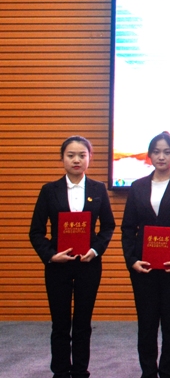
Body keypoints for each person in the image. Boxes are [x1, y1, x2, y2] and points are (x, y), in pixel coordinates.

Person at [29, 136, 116, 378]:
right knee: (60, 323)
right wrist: (50, 255)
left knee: (82, 322)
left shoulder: (98, 189)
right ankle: (60, 371)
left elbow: (108, 226)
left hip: (88, 264)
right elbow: (36, 231)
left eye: (82, 155)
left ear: (90, 158)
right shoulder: (49, 190)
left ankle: (80, 371)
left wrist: (95, 250)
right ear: (62, 159)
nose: (76, 160)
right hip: (58, 266)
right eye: (71, 155)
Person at [121, 131, 170, 378]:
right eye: (156, 152)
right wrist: (131, 260)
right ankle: (148, 371)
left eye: (166, 152)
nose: (161, 156)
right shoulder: (138, 186)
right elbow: (128, 228)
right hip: (143, 267)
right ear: (150, 155)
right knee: (146, 324)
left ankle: (168, 372)